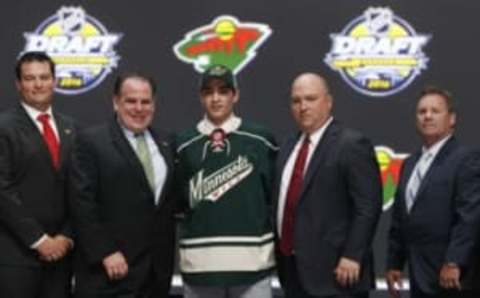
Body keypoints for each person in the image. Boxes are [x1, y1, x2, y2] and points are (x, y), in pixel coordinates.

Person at [273, 72, 382, 298]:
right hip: (292, 272)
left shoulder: (351, 144)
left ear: (328, 102)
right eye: (296, 101)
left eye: (310, 99)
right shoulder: (287, 146)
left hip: (338, 275)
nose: (303, 106)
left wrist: (353, 255)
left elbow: (368, 207)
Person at [174, 64, 277, 298]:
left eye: (223, 91)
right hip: (200, 268)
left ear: (235, 95)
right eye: (209, 91)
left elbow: (274, 199)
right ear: (201, 97)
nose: (216, 98)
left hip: (253, 267)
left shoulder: (261, 140)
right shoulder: (183, 144)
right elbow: (178, 204)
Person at [70, 73, 175, 298]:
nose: (139, 108)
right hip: (110, 273)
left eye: (145, 102)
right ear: (116, 102)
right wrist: (105, 252)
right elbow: (81, 204)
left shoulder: (167, 142)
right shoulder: (92, 141)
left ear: (154, 105)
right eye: (131, 101)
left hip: (156, 275)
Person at [386, 86, 480, 298]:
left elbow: (469, 216)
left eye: (435, 111)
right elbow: (401, 219)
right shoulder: (409, 164)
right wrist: (394, 263)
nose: (427, 116)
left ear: (452, 118)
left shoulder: (467, 159)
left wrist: (454, 261)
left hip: (452, 279)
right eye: (422, 111)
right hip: (419, 277)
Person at [0, 51, 75, 298]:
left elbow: (80, 189)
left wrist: (66, 235)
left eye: (44, 77)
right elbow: (2, 190)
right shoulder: (4, 127)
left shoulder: (72, 128)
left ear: (54, 81)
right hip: (16, 257)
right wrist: (39, 240)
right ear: (18, 84)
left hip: (62, 258)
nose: (38, 84)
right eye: (30, 78)